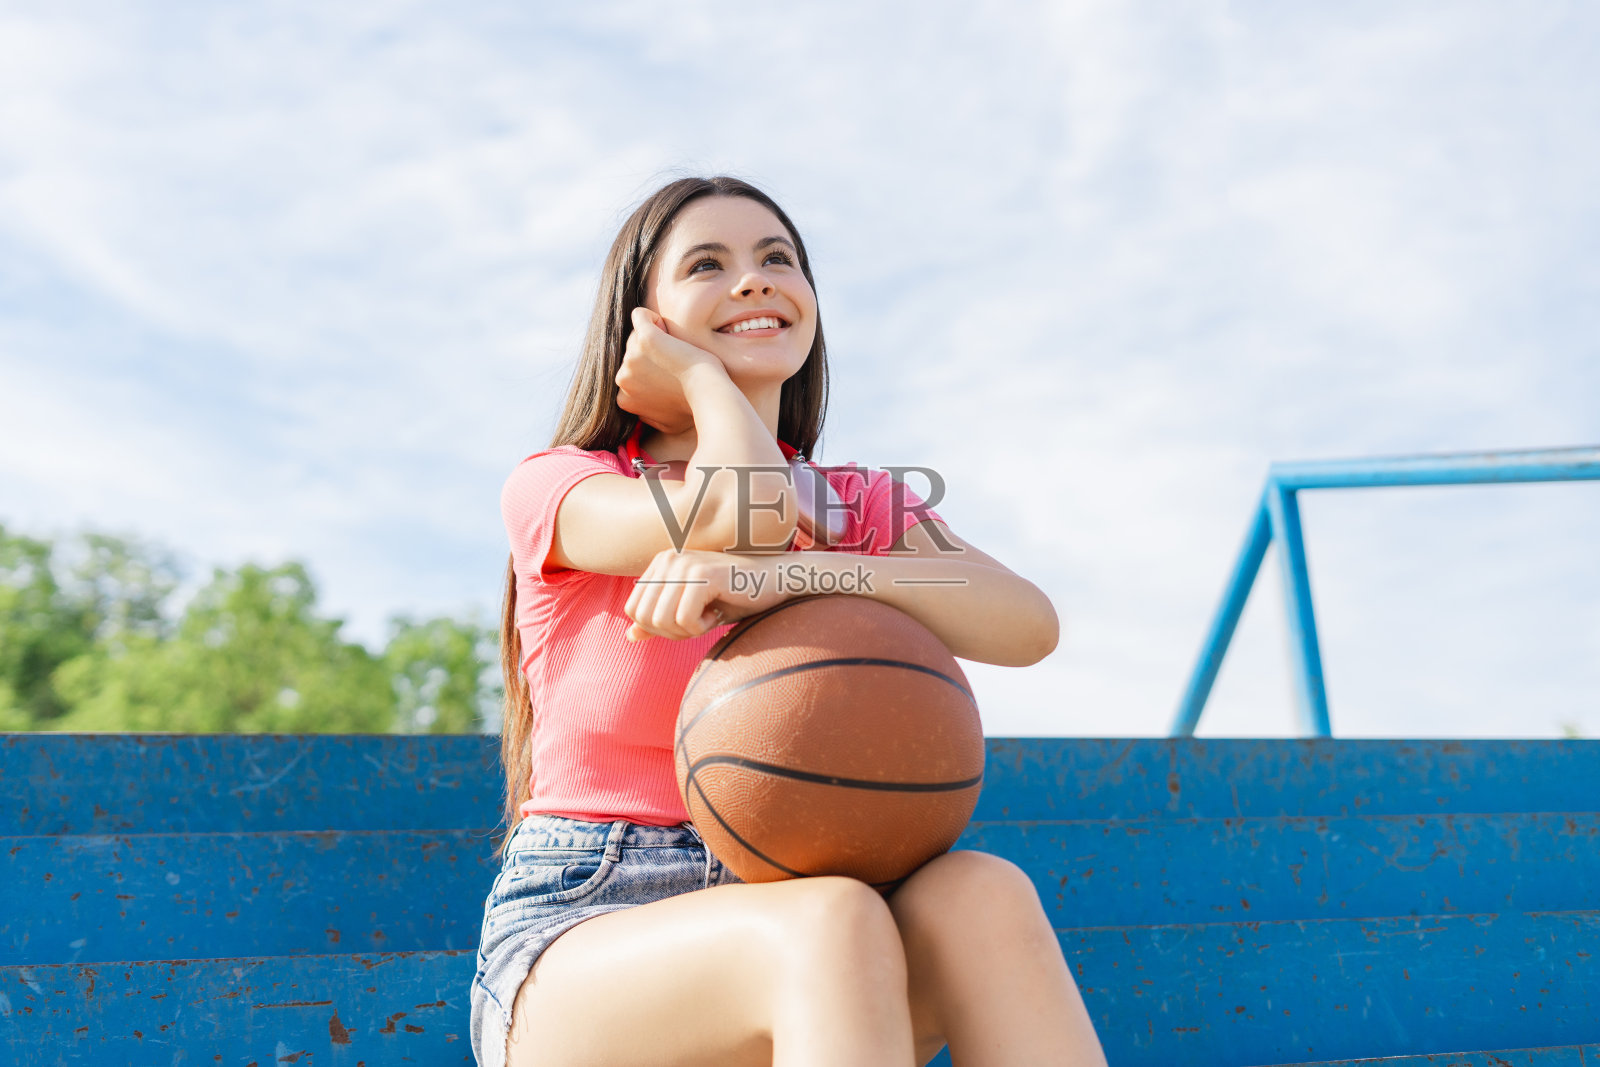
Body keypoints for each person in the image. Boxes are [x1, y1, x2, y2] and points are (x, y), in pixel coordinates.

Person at [471, 175, 1107, 1067]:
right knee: (828, 922)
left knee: (982, 892)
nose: (756, 279)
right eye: (708, 264)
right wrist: (698, 380)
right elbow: (749, 509)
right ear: (640, 321)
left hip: (823, 915)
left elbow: (1025, 623)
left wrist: (805, 577)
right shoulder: (567, 485)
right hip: (595, 917)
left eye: (779, 259)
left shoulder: (856, 504)